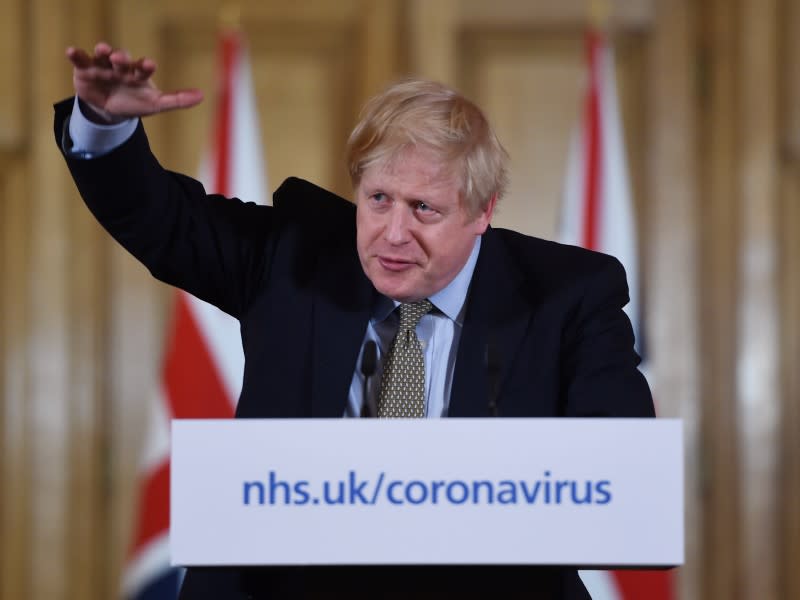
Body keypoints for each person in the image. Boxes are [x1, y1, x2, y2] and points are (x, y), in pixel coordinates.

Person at [56, 42, 655, 600]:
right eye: (379, 199)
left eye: (424, 208)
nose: (394, 234)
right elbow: (162, 220)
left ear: (482, 211)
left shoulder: (567, 295)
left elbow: (621, 480)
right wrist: (104, 127)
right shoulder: (294, 254)